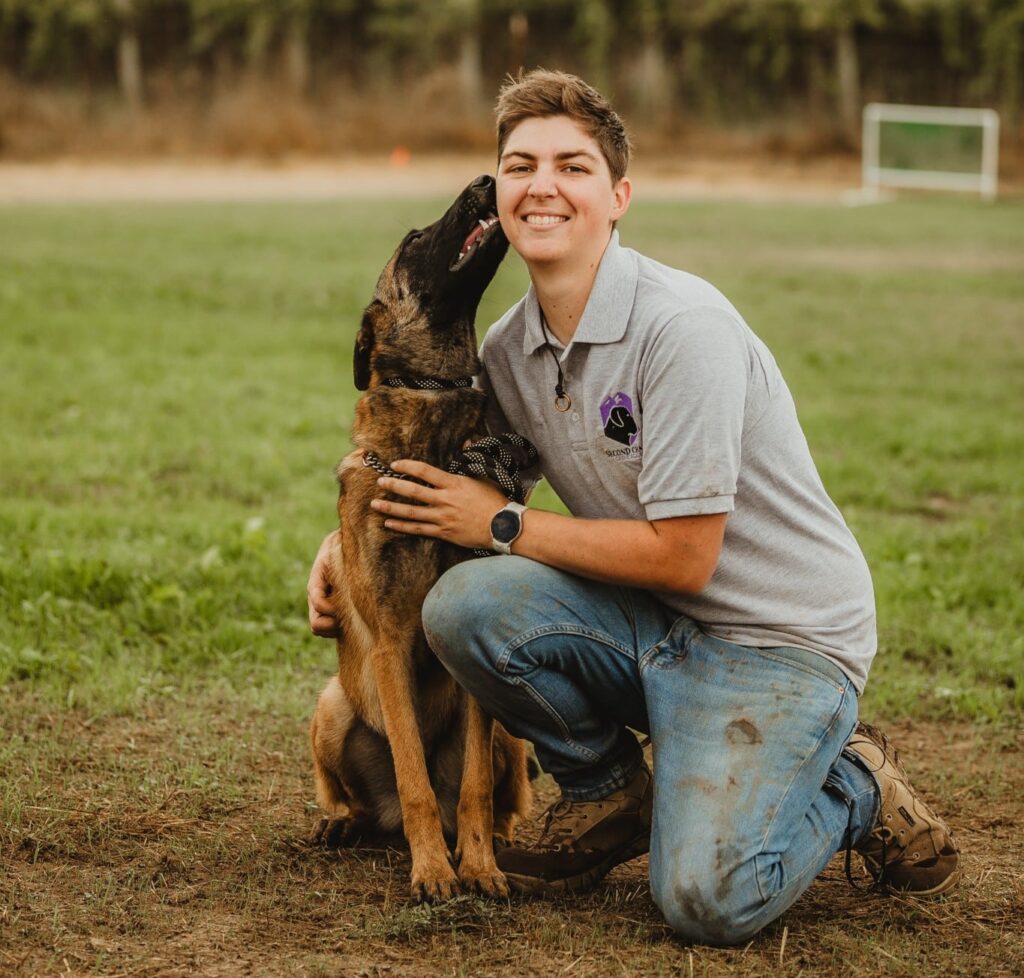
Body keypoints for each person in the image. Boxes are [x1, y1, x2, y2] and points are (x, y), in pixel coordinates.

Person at [307, 69, 960, 946]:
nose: (542, 185)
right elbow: (437, 476)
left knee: (706, 901)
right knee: (463, 606)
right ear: (497, 192)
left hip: (777, 643)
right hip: (654, 623)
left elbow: (683, 557)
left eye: (572, 167)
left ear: (618, 197)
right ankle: (607, 790)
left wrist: (501, 524)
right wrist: (340, 547)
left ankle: (855, 784)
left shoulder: (682, 329)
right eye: (520, 164)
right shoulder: (508, 351)